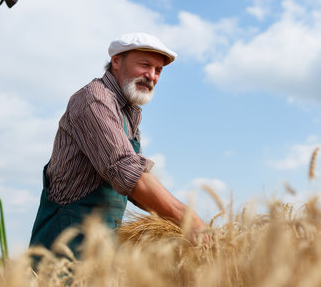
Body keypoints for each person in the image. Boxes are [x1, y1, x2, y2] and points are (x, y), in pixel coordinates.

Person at [29, 32, 207, 257]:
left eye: (158, 70)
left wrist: (174, 227)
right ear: (116, 61)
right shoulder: (94, 101)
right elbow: (126, 170)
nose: (151, 76)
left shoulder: (128, 113)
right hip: (63, 250)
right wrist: (187, 219)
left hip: (99, 249)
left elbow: (136, 184)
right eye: (145, 65)